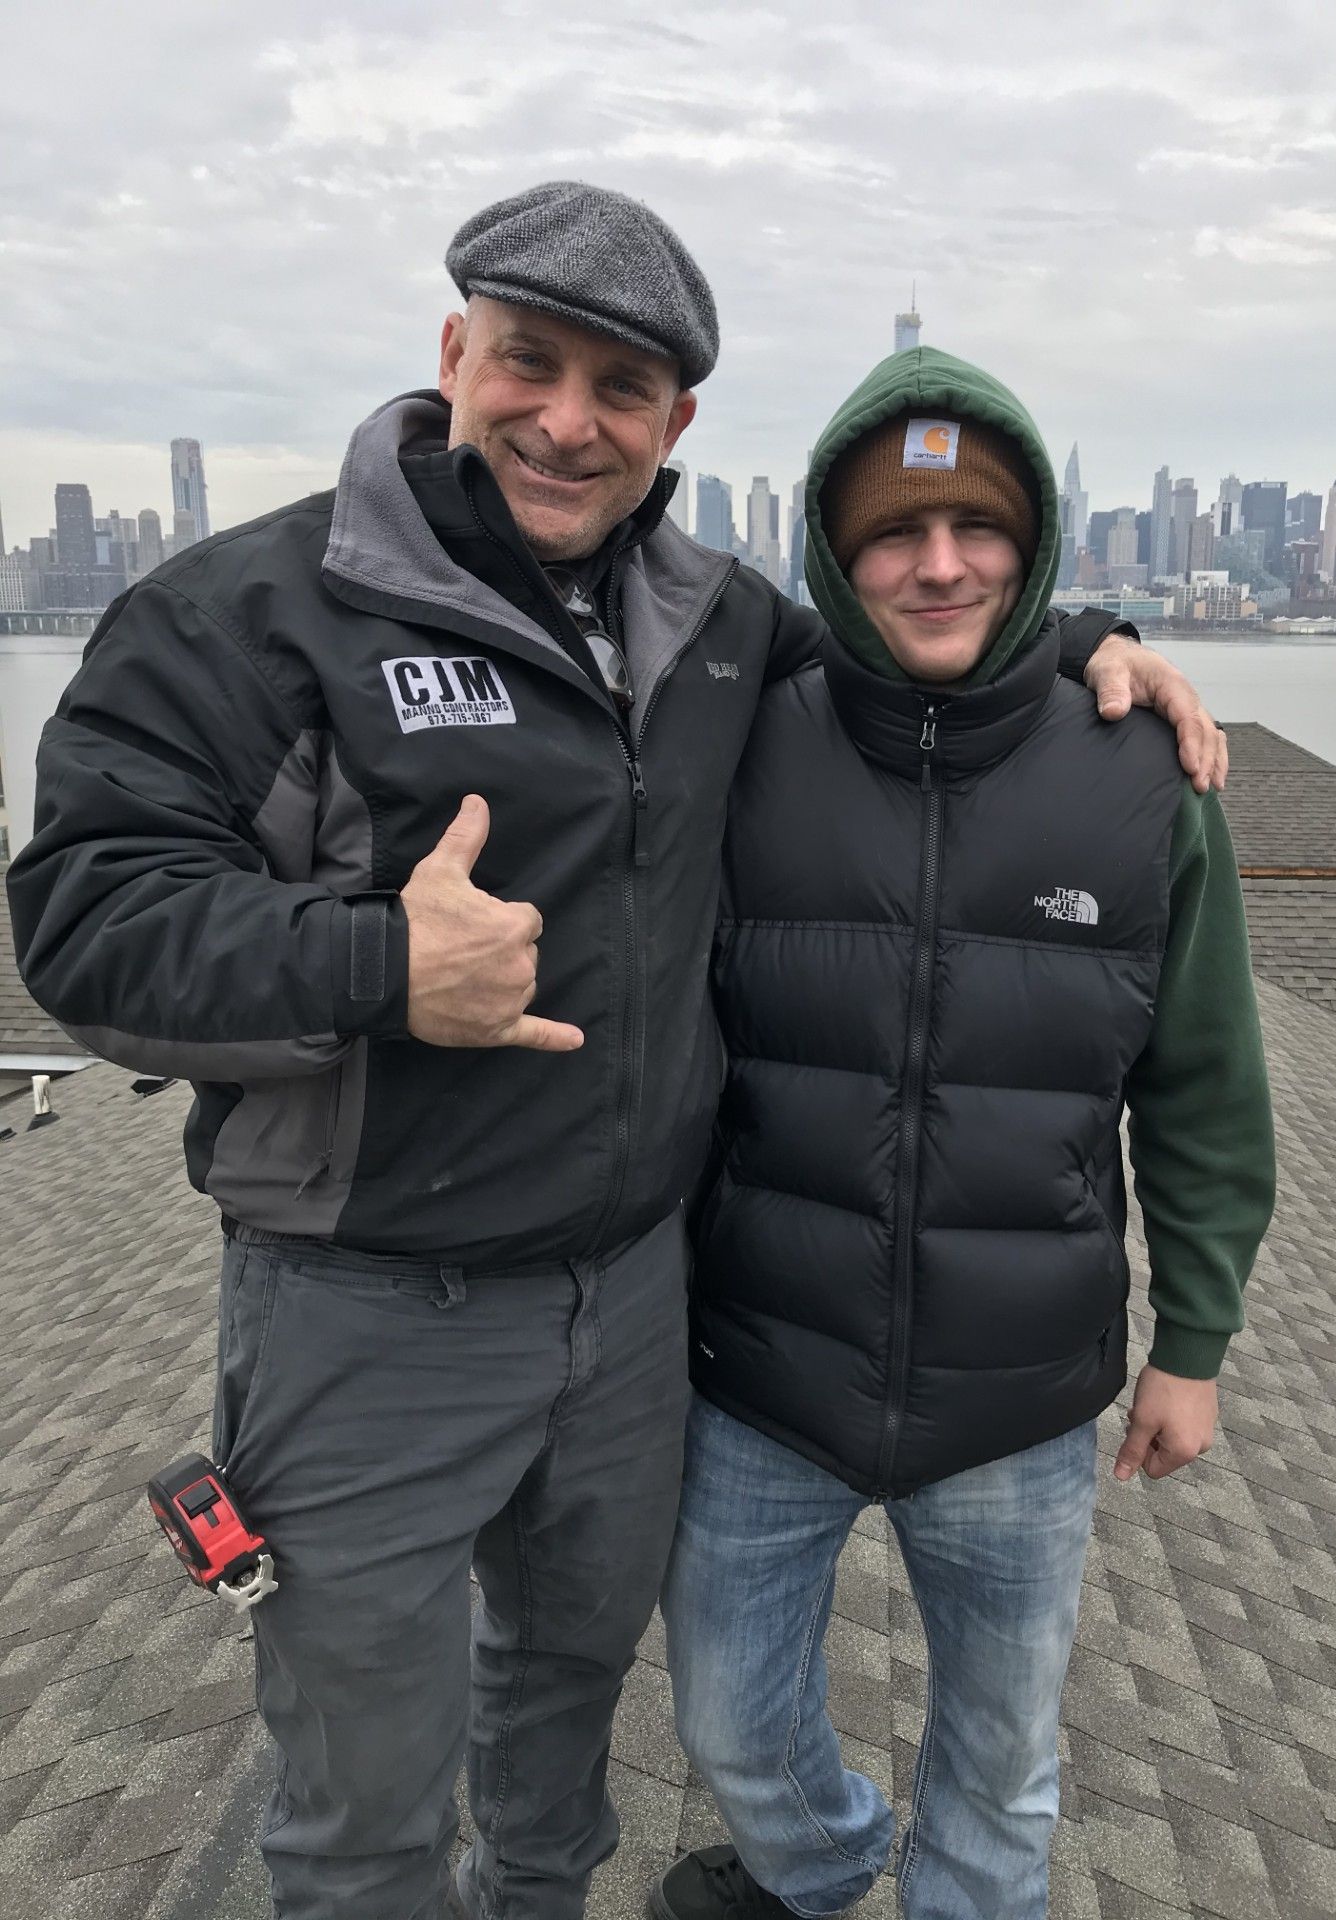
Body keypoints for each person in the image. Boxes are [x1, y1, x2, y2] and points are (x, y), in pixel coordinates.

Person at [7, 183, 1225, 1920]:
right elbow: (83, 922)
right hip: (369, 1301)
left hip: (640, 1299)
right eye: (531, 362)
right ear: (455, 352)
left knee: (562, 1724)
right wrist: (377, 964)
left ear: (678, 423)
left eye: (622, 388)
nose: (568, 422)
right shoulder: (253, 608)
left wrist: (1094, 645)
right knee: (361, 1791)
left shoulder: (720, 620)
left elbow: (921, 650)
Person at [652, 347, 1275, 1920]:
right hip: (761, 1367)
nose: (939, 565)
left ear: (1036, 543)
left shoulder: (1146, 774)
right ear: (835, 557)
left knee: (1002, 1770)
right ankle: (821, 1858)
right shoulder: (745, 743)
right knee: (726, 1723)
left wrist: (1195, 1343)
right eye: (893, 534)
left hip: (1019, 1396)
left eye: (978, 526)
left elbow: (1205, 1082)